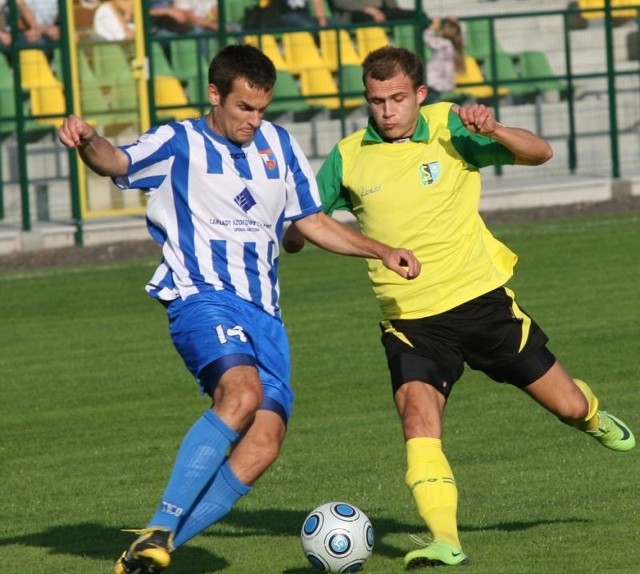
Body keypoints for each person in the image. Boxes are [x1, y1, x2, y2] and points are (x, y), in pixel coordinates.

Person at [58, 43, 420, 574]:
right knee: (242, 393)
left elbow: (310, 221)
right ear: (215, 94)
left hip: (265, 314)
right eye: (243, 108)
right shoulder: (179, 142)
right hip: (201, 296)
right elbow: (115, 161)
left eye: (261, 109)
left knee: (266, 441)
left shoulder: (279, 144)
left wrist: (381, 250)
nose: (253, 120)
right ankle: (161, 524)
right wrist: (88, 139)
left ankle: (151, 552)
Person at [283, 45, 635, 569]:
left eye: (398, 98)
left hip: (482, 306)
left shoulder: (452, 127)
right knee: (417, 418)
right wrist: (290, 230)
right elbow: (306, 223)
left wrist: (493, 130)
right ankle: (446, 542)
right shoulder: (349, 156)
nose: (387, 110)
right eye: (376, 100)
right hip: (410, 322)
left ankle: (591, 416)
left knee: (568, 406)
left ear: (420, 95)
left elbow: (540, 152)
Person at [423, 16, 465, 105]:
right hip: (444, 85)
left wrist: (433, 27)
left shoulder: (445, 44)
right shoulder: (454, 45)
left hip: (434, 84)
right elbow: (462, 37)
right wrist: (456, 25)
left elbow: (427, 38)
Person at [243, 0, 341, 29]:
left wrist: (321, 19)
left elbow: (317, 1)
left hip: (304, 16)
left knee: (340, 25)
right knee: (308, 26)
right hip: (285, 16)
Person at [330, 0, 428, 26]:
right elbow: (340, 2)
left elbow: (391, 5)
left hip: (383, 11)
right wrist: (365, 8)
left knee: (419, 15)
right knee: (368, 20)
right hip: (355, 14)